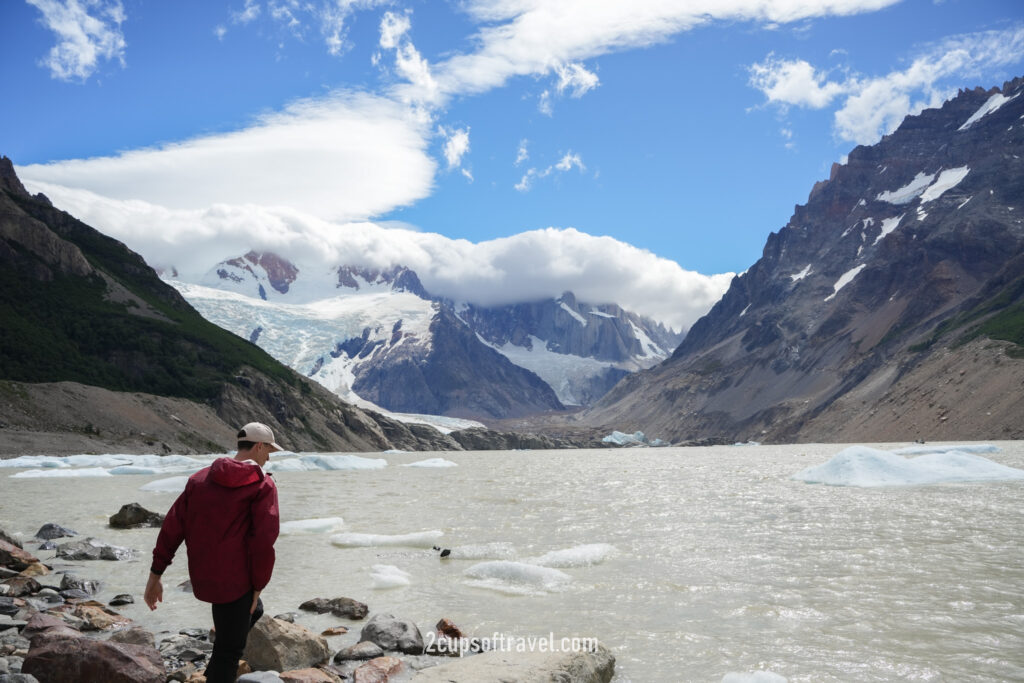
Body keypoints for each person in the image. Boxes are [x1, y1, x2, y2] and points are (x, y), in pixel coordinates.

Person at [144, 422, 282, 683]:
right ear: (259, 446)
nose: (268, 457)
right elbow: (263, 541)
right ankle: (218, 667)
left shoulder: (199, 479)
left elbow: (172, 527)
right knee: (231, 652)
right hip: (238, 582)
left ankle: (218, 654)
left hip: (205, 578)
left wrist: (155, 575)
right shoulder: (263, 485)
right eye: (269, 451)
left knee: (247, 618)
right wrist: (258, 587)